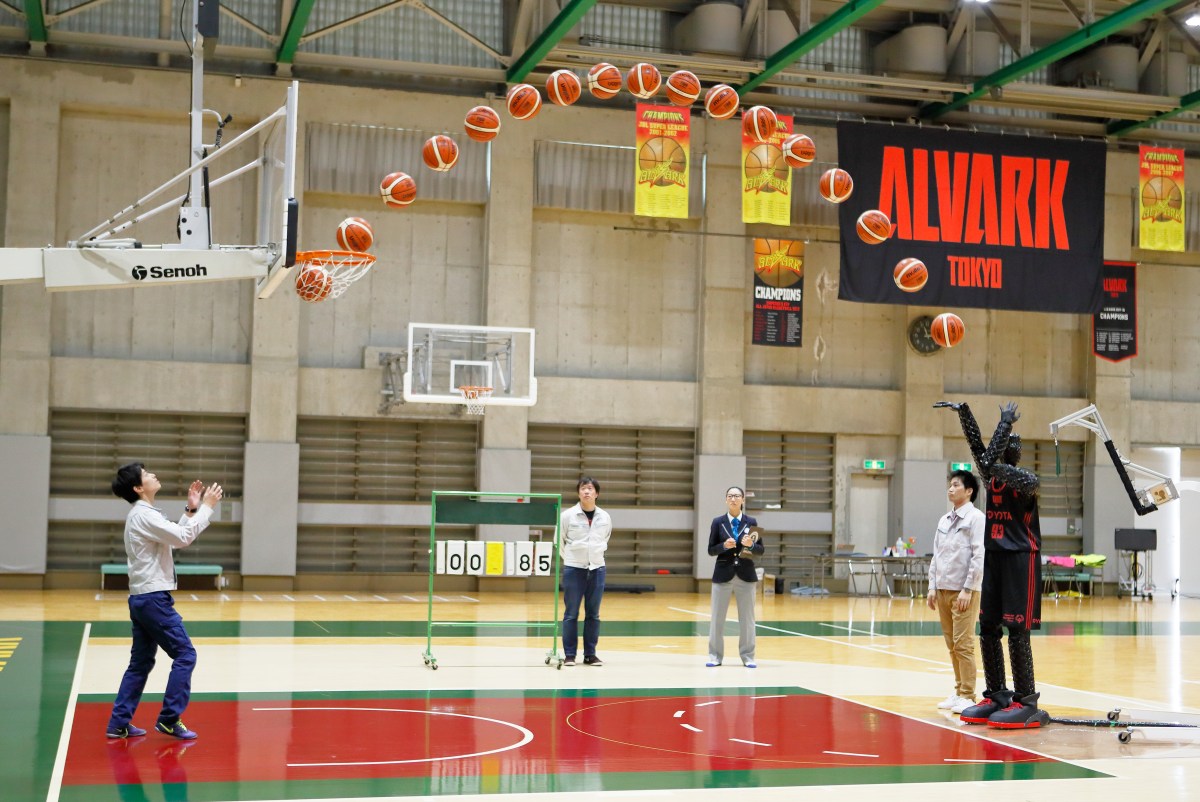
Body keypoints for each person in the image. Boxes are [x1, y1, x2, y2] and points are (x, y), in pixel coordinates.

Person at [935, 400, 1049, 728]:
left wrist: (1003, 427)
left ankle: (1025, 699)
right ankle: (997, 693)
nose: (1009, 447)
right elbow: (978, 450)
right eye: (1006, 441)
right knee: (987, 629)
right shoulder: (992, 474)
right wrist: (966, 414)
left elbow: (985, 460)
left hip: (1019, 560)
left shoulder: (1025, 479)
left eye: (1013, 442)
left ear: (1018, 452)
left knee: (1017, 631)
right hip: (994, 556)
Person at [105, 463, 223, 740]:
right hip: (153, 599)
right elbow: (183, 538)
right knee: (185, 655)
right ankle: (169, 719)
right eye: (146, 475)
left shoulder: (143, 515)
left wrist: (191, 511)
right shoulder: (143, 515)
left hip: (142, 598)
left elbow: (172, 537)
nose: (153, 475)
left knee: (141, 662)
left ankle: (118, 723)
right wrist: (207, 507)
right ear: (138, 487)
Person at [926, 470, 985, 715]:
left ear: (969, 490)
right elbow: (936, 556)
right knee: (952, 645)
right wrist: (931, 586)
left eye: (955, 485)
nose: (950, 489)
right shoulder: (944, 520)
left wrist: (968, 589)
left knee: (964, 644)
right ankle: (959, 689)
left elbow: (978, 555)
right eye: (949, 485)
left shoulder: (976, 518)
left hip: (964, 592)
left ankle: (968, 695)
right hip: (942, 589)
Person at [706, 486, 764, 668]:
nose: (733, 499)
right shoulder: (718, 522)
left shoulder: (751, 521)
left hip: (746, 575)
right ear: (726, 500)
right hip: (723, 574)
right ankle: (715, 656)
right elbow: (710, 550)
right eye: (730, 496)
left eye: (737, 496)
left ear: (743, 500)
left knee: (747, 619)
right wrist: (723, 546)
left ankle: (748, 656)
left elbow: (760, 551)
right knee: (717, 619)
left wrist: (752, 545)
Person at [559, 476, 611, 667]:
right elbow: (560, 541)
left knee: (593, 614)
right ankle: (570, 655)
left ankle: (590, 654)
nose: (586, 492)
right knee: (571, 613)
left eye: (590, 489)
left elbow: (605, 539)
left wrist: (593, 558)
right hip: (574, 569)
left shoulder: (605, 517)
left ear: (597, 493)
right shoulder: (567, 515)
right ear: (578, 492)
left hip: (597, 569)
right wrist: (572, 560)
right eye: (583, 488)